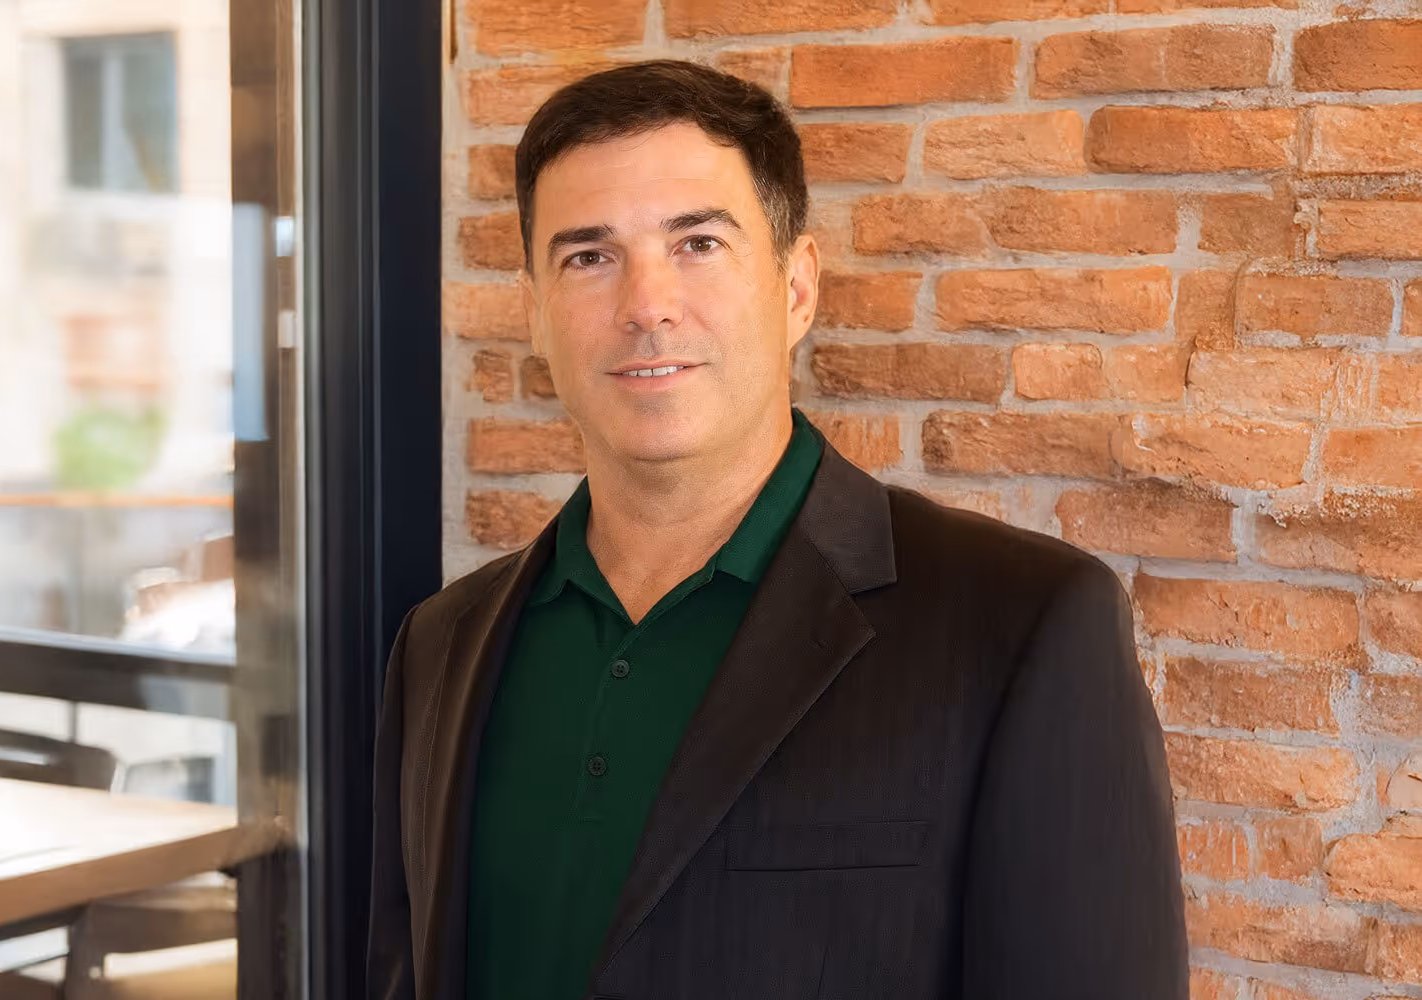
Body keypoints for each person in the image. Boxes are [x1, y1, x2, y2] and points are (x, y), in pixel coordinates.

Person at [368, 59, 1188, 1000]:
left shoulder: (1023, 626)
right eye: (589, 256)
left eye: (698, 243)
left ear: (796, 288)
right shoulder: (439, 646)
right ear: (536, 315)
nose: (646, 306)